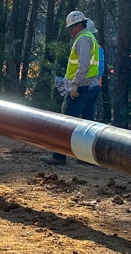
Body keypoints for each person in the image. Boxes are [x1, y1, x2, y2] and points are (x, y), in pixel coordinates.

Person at [42, 10, 101, 166]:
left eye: (70, 28)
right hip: (91, 86)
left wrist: (74, 84)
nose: (70, 31)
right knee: (88, 123)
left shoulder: (82, 39)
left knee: (65, 122)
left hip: (81, 87)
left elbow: (83, 65)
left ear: (77, 25)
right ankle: (87, 157)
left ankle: (59, 156)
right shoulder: (90, 38)